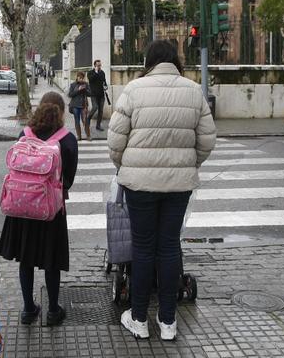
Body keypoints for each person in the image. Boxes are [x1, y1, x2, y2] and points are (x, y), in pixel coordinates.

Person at [108, 40, 216, 341]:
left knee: (142, 248)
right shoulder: (193, 91)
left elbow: (115, 141)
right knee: (169, 247)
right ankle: (168, 322)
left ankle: (139, 318)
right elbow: (207, 140)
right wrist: (187, 164)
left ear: (149, 61)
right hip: (178, 185)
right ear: (175, 60)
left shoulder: (134, 89)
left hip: (139, 185)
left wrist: (125, 167)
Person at [0, 91, 78, 327]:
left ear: (39, 108)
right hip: (50, 211)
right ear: (61, 112)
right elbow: (68, 179)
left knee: (26, 260)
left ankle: (28, 309)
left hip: (21, 209)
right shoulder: (67, 139)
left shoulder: (25, 134)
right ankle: (53, 310)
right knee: (51, 261)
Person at [67, 71, 91, 141]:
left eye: (82, 78)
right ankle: (79, 136)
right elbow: (70, 94)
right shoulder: (73, 85)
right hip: (75, 105)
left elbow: (90, 93)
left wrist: (85, 90)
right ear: (77, 77)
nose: (81, 79)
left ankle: (88, 136)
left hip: (83, 105)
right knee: (77, 121)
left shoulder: (86, 84)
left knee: (85, 121)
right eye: (80, 78)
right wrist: (78, 89)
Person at [86, 60, 107, 131]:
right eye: (98, 65)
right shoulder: (90, 73)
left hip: (101, 95)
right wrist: (96, 72)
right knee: (95, 107)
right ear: (94, 66)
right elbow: (91, 79)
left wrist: (105, 86)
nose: (99, 67)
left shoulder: (102, 73)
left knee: (101, 111)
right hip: (94, 94)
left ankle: (98, 125)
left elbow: (104, 82)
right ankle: (88, 118)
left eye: (100, 65)